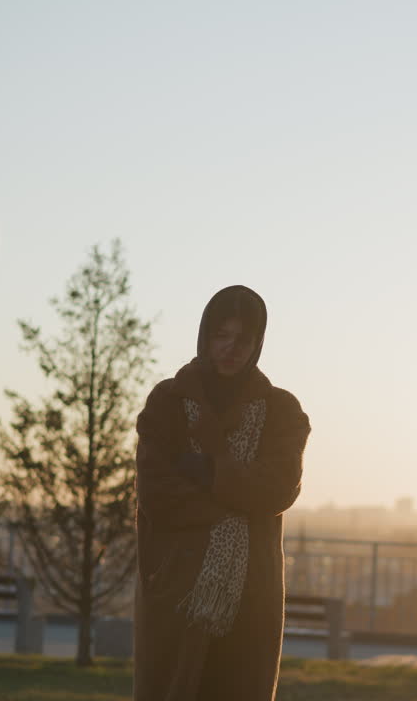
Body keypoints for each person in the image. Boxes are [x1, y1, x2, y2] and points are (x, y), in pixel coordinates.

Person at [134, 285, 311, 701]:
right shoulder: (167, 402)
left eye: (243, 339)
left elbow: (278, 489)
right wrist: (238, 496)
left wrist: (208, 469)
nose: (231, 349)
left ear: (258, 344)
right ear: (204, 336)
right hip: (175, 591)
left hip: (252, 597)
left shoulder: (283, 411)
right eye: (221, 336)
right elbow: (157, 493)